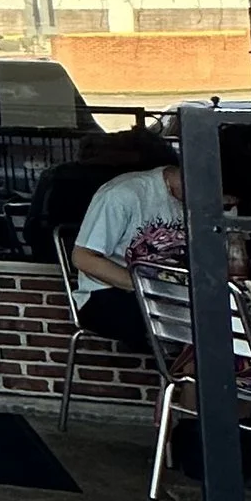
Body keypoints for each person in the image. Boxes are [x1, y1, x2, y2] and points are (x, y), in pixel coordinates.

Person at [69, 139, 182, 352]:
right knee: (194, 327)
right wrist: (143, 286)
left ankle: (187, 379)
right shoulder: (123, 194)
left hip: (170, 290)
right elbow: (83, 257)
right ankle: (185, 379)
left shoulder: (210, 202)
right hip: (108, 292)